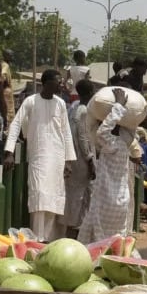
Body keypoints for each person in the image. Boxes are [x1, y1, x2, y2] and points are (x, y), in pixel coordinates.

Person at [5, 69, 77, 240]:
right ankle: (36, 238)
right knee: (39, 194)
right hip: (38, 155)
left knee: (53, 198)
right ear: (45, 83)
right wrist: (9, 151)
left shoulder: (60, 103)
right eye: (58, 81)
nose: (61, 84)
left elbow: (66, 132)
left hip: (57, 156)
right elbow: (16, 125)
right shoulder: (30, 101)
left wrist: (68, 160)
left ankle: (49, 240)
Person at [81, 88, 142, 245]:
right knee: (117, 239)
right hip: (121, 199)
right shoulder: (125, 143)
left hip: (105, 200)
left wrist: (118, 106)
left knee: (98, 240)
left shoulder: (111, 144)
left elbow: (101, 131)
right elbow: (132, 125)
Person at [64, 78, 97, 231]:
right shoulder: (83, 110)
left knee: (74, 192)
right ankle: (77, 227)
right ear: (90, 92)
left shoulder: (73, 107)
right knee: (83, 194)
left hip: (73, 155)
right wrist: (90, 160)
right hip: (82, 158)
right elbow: (83, 136)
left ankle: (73, 225)